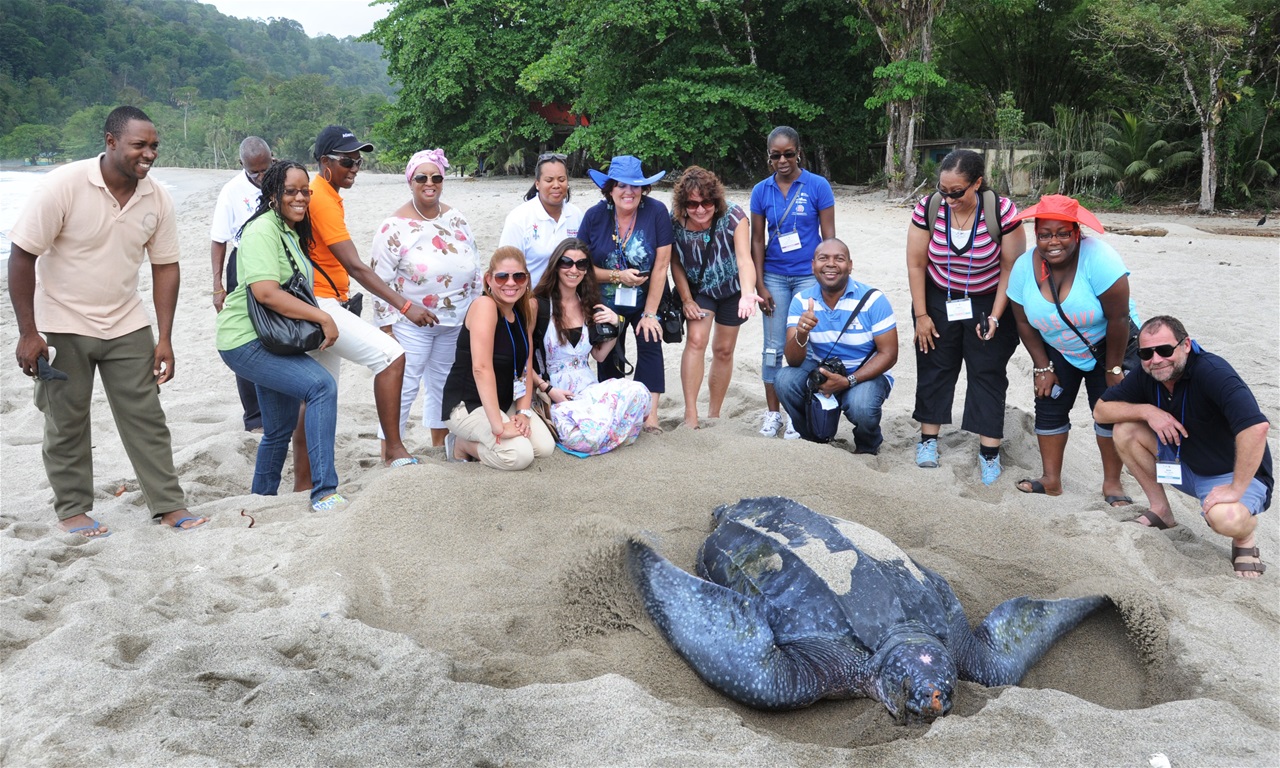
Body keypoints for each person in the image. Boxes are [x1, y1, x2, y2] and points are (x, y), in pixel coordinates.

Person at [6, 105, 208, 536]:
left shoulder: (157, 197)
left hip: (127, 322)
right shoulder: (64, 184)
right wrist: (29, 332)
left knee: (147, 418)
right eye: (140, 145)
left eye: (154, 145)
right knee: (66, 421)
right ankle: (73, 510)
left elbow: (166, 266)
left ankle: (169, 505)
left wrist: (165, 338)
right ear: (111, 141)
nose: (149, 154)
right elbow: (22, 256)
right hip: (61, 323)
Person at [1095, 316, 1271, 577]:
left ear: (1186, 345)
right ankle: (1161, 510)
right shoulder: (1149, 374)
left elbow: (1257, 428)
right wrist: (1147, 411)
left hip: (1231, 474)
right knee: (1125, 430)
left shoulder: (1213, 372)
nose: (1156, 359)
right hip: (1184, 463)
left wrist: (1236, 488)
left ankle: (1244, 540)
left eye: (1165, 350)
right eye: (1146, 353)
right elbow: (1101, 411)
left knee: (1225, 519)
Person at [215, 161, 345, 511]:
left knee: (278, 427)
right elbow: (266, 293)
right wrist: (322, 317)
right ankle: (324, 492)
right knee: (321, 387)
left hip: (270, 336)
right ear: (272, 195)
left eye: (306, 190)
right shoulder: (262, 230)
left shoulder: (288, 228)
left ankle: (260, 501)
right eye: (291, 191)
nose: (301, 197)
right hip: (246, 340)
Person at [302, 125, 431, 472]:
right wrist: (405, 305)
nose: (355, 168)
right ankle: (393, 449)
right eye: (348, 161)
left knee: (318, 392)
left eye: (358, 161)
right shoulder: (321, 197)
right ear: (325, 161)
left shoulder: (322, 193)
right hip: (321, 301)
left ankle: (304, 480)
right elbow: (357, 267)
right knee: (391, 356)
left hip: (316, 300)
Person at [1006, 195, 1140, 504]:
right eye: (1045, 234)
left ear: (1076, 233)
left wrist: (1114, 368)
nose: (1054, 241)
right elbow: (1023, 322)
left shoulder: (1101, 259)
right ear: (1036, 234)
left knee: (1106, 411)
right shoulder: (1024, 267)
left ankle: (1112, 484)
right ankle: (1051, 480)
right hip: (1059, 347)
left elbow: (1119, 318)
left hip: (1110, 344)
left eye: (1063, 233)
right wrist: (1042, 366)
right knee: (1049, 404)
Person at [907, 149, 1026, 484]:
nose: (948, 198)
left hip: (988, 298)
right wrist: (921, 314)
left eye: (956, 192)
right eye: (943, 191)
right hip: (938, 297)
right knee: (934, 365)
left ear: (977, 183)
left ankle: (989, 453)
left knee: (986, 371)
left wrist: (997, 317)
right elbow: (916, 264)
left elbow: (1010, 269)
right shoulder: (929, 208)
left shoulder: (1001, 213)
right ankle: (928, 440)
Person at [370, 148, 480, 450]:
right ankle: (390, 449)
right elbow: (380, 279)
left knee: (445, 386)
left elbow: (475, 264)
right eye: (422, 177)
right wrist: (387, 326)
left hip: (456, 320)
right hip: (410, 322)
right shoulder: (393, 226)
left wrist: (477, 309)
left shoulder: (457, 218)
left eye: (436, 177)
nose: (429, 183)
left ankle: (440, 447)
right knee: (404, 386)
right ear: (410, 180)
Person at [751, 126, 836, 439]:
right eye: (776, 155)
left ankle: (799, 414)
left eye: (788, 153)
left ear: (799, 152)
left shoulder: (817, 186)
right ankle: (773, 414)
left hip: (807, 276)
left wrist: (828, 281)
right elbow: (756, 241)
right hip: (773, 276)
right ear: (769, 157)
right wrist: (759, 283)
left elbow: (829, 238)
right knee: (772, 349)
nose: (783, 160)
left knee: (805, 345)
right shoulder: (761, 191)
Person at [578, 154, 673, 434]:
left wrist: (650, 314)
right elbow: (579, 266)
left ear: (644, 188)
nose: (628, 191)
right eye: (621, 185)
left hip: (647, 297)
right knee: (607, 352)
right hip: (604, 298)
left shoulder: (656, 212)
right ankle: (612, 413)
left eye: (635, 185)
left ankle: (650, 417)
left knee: (650, 341)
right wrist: (618, 276)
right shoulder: (594, 216)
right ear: (609, 189)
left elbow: (661, 266)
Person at [530, 238, 651, 455]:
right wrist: (547, 388)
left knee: (639, 392)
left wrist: (616, 326)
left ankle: (603, 429)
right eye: (567, 262)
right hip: (555, 391)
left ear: (587, 270)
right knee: (582, 437)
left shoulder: (588, 303)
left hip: (588, 387)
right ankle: (608, 432)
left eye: (581, 264)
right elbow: (522, 358)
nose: (573, 269)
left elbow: (600, 355)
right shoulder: (538, 305)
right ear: (556, 265)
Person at [775, 239, 898, 451]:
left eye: (839, 259)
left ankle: (867, 444)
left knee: (861, 406)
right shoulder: (802, 301)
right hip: (822, 370)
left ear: (850, 265)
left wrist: (847, 381)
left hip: (863, 374)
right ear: (813, 265)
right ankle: (813, 438)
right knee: (784, 379)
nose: (831, 264)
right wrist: (802, 334)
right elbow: (793, 360)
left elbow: (889, 354)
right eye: (823, 258)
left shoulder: (873, 300)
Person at [442, 247, 555, 469]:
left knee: (543, 448)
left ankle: (496, 430)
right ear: (489, 280)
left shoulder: (524, 310)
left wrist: (522, 412)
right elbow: (481, 369)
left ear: (527, 280)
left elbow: (526, 365)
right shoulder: (485, 306)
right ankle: (462, 444)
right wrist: (499, 426)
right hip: (468, 404)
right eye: (502, 276)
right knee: (519, 456)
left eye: (518, 276)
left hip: (505, 402)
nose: (511, 283)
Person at [670, 165, 762, 429]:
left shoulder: (733, 216)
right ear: (682, 203)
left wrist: (747, 294)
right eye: (692, 204)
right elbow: (674, 262)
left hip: (732, 288)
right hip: (700, 289)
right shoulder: (675, 220)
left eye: (707, 202)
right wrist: (686, 299)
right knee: (696, 340)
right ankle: (690, 414)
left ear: (716, 200)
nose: (700, 209)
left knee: (723, 350)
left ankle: (714, 413)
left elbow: (745, 260)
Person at [210, 136, 273, 432]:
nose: (262, 178)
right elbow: (219, 239)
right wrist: (217, 285)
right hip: (243, 263)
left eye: (266, 169)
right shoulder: (231, 191)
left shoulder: (281, 178)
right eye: (254, 172)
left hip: (277, 260)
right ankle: (255, 417)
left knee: (278, 334)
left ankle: (280, 407)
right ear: (242, 166)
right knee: (247, 337)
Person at [498, 152, 583, 284]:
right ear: (537, 184)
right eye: (549, 180)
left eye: (561, 180)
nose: (556, 185)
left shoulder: (576, 215)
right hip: (530, 299)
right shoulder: (519, 218)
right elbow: (505, 267)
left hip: (567, 297)